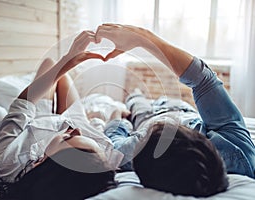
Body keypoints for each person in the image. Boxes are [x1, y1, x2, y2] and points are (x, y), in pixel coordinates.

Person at [95, 24, 255, 197]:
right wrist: (144, 38)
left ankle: (136, 98)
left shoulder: (138, 152)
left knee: (135, 99)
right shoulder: (237, 150)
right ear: (203, 143)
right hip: (179, 108)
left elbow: (113, 144)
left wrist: (117, 114)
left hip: (146, 117)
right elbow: (203, 80)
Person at [0, 31, 118, 200]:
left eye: (66, 138)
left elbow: (23, 105)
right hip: (77, 120)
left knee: (50, 63)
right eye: (96, 148)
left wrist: (67, 59)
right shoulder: (95, 169)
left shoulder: (5, 165)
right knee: (58, 72)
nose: (75, 130)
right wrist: (111, 117)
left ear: (41, 161)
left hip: (42, 119)